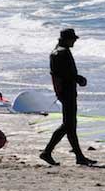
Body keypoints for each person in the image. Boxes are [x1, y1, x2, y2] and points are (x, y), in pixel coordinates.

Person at [40, 28, 96, 166]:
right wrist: (78, 78)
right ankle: (47, 152)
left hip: (64, 91)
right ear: (67, 39)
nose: (75, 41)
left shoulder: (57, 51)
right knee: (68, 125)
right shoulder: (62, 53)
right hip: (67, 92)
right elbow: (64, 74)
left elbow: (57, 74)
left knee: (70, 125)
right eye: (73, 39)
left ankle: (79, 156)